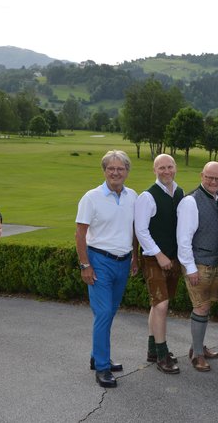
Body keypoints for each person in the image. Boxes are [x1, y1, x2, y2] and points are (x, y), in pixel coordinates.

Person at [75, 150, 139, 388]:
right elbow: (80, 234)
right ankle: (102, 367)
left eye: (120, 169)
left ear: (127, 172)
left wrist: (135, 257)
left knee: (110, 312)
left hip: (123, 261)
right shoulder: (91, 198)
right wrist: (85, 265)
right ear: (104, 171)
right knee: (103, 314)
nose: (115, 172)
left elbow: (133, 230)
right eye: (111, 168)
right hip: (99, 261)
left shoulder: (133, 196)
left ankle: (97, 355)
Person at [135, 154, 184, 374]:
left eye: (170, 167)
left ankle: (152, 349)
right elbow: (141, 230)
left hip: (173, 257)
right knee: (162, 304)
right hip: (153, 258)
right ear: (155, 170)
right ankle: (162, 354)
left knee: (158, 305)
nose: (166, 171)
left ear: (175, 168)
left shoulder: (180, 192)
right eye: (162, 167)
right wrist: (160, 255)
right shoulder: (148, 196)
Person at [177, 162, 218, 372]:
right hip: (198, 263)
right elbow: (183, 238)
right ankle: (197, 355)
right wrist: (190, 268)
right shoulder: (190, 201)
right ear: (201, 175)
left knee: (206, 306)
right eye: (209, 177)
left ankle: (197, 346)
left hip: (214, 262)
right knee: (201, 306)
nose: (213, 182)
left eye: (217, 178)